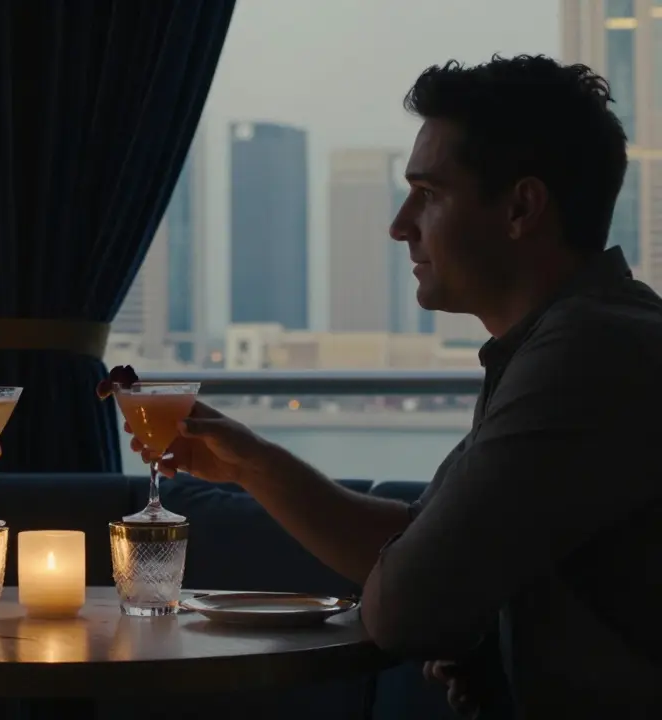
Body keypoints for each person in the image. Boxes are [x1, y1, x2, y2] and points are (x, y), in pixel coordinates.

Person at [130, 55, 662, 717]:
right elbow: (416, 544)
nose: (400, 223)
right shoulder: (564, 340)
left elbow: (408, 609)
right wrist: (252, 466)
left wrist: (465, 616)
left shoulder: (589, 355)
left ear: (521, 207)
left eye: (429, 193)